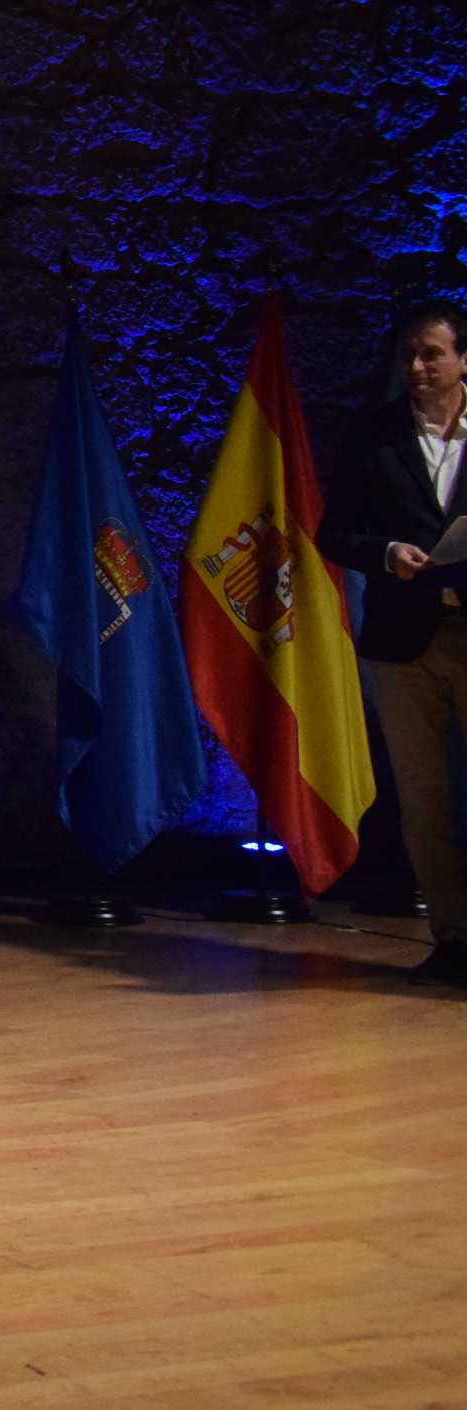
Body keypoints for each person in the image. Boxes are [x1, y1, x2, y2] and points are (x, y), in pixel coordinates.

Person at [324, 298, 467, 988]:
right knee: (423, 795)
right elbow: (334, 532)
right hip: (404, 640)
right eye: (408, 354)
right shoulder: (374, 435)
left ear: (463, 360)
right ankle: (454, 937)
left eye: (431, 354)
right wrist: (386, 554)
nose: (417, 367)